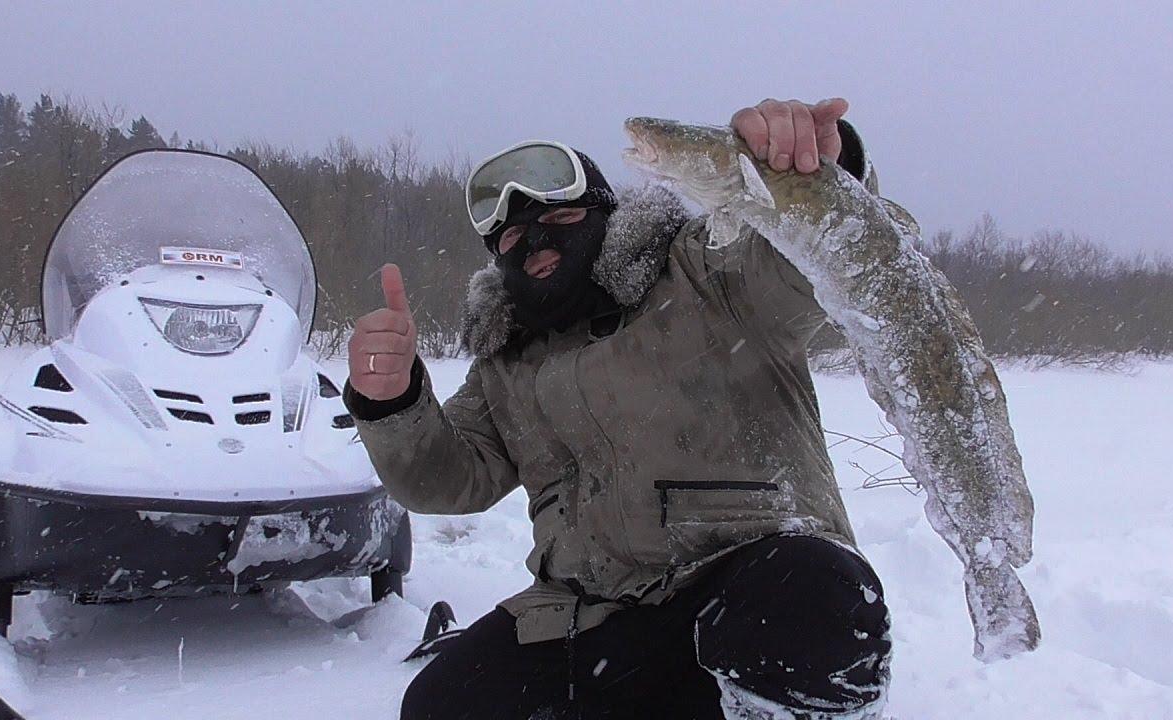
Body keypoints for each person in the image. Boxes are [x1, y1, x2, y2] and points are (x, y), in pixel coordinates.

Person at [344, 98, 894, 719]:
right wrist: (391, 399)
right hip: (590, 619)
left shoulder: (706, 274)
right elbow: (447, 479)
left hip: (743, 595)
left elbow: (813, 263)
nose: (535, 243)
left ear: (606, 215)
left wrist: (817, 174)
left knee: (816, 592)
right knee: (442, 705)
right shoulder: (506, 363)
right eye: (513, 236)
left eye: (562, 215)